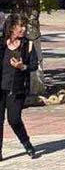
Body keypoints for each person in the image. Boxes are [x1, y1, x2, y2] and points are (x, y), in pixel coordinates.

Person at [1, 14, 39, 160]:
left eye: (25, 26)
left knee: (14, 119)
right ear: (11, 28)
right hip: (1, 88)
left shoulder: (28, 45)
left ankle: (27, 143)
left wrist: (22, 66)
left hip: (17, 89)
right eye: (20, 26)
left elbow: (34, 66)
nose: (23, 29)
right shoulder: (2, 43)